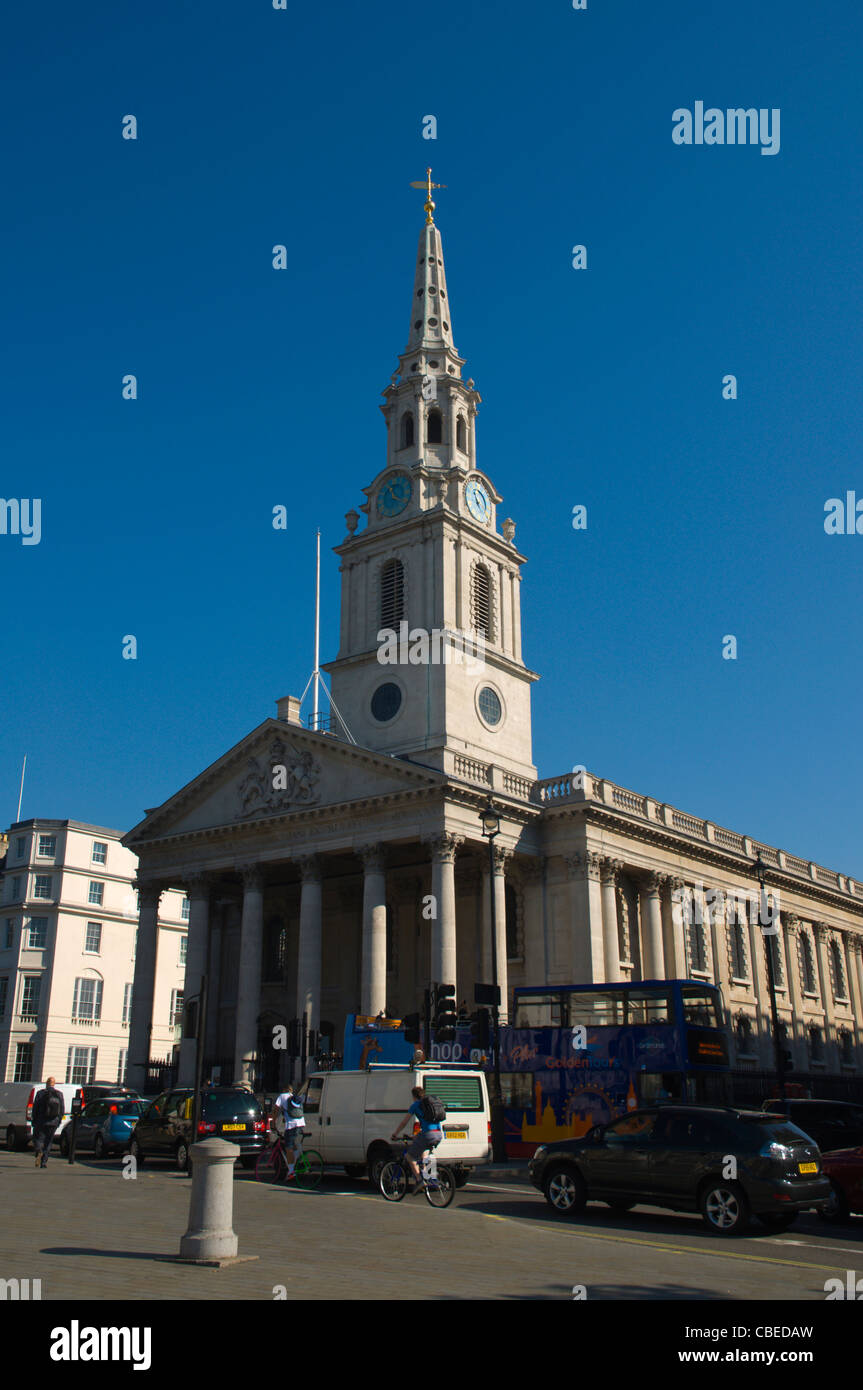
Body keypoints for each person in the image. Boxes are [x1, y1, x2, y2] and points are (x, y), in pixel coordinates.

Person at [391, 1085, 443, 1190]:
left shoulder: (415, 1105)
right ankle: (429, 1177)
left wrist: (395, 1134)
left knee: (410, 1157)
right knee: (424, 1152)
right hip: (438, 1134)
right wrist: (416, 1135)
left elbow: (404, 1122)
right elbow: (427, 1124)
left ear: (414, 1096)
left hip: (428, 1134)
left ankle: (419, 1180)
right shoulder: (429, 1104)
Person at [272, 1083, 305, 1179]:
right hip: (300, 1123)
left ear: (283, 1090)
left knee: (288, 1147)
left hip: (292, 1125)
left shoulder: (282, 1096)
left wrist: (273, 1124)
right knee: (291, 1143)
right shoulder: (293, 1096)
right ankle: (296, 1158)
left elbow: (275, 1110)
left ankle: (291, 1171)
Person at [31, 1077, 65, 1169]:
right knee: (48, 1142)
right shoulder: (59, 1094)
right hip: (53, 1122)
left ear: (46, 1083)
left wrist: (34, 1120)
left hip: (41, 1121)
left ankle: (39, 1151)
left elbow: (35, 1108)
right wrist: (58, 1121)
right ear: (54, 1084)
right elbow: (62, 1110)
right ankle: (44, 1162)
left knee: (38, 1139)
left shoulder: (40, 1094)